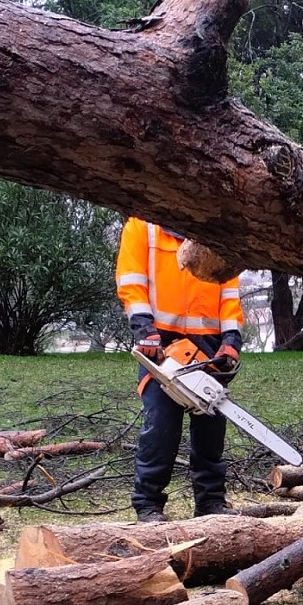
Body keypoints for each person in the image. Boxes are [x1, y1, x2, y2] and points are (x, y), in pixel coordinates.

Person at [116, 216, 245, 523]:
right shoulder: (141, 226)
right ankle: (148, 503)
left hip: (208, 343)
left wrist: (231, 339)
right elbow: (131, 281)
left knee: (211, 428)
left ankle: (211, 501)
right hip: (161, 342)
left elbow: (229, 293)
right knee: (161, 424)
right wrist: (144, 329)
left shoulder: (214, 231)